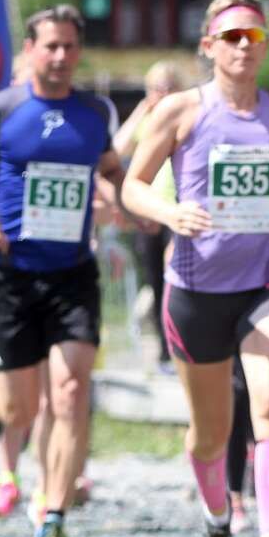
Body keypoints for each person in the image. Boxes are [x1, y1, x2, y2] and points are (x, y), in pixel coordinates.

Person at [122, 0, 269, 537]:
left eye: (253, 36)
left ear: (265, 46)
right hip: (196, 287)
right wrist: (169, 211)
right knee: (210, 432)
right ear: (209, 46)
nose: (243, 46)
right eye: (231, 37)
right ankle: (216, 521)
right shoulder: (180, 111)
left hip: (267, 282)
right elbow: (133, 185)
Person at [0, 5, 122, 537]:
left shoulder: (96, 111)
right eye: (51, 46)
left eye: (70, 46)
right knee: (20, 408)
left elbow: (113, 170)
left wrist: (131, 203)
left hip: (73, 272)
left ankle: (53, 518)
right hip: (12, 275)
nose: (61, 56)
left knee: (70, 392)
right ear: (30, 49)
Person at [113, 60, 188, 371]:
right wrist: (142, 109)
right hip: (149, 210)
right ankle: (163, 349)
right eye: (157, 88)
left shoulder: (185, 118)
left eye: (169, 87)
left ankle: (182, 344)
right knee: (155, 281)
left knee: (177, 279)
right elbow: (117, 149)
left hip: (179, 209)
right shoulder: (146, 121)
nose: (163, 93)